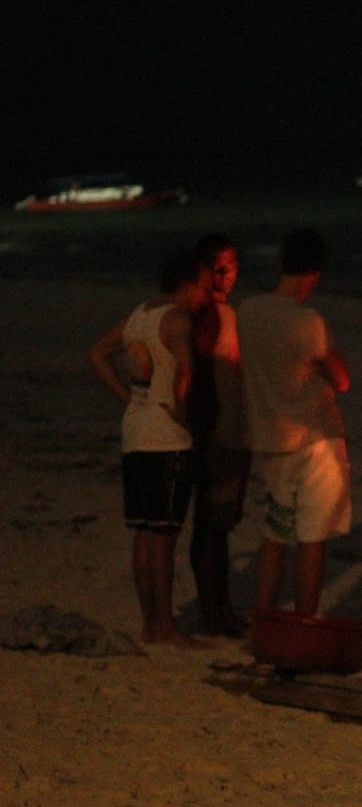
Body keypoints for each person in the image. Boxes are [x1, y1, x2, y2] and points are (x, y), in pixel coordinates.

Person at [87, 249, 212, 647]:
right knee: (164, 535)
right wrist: (181, 413)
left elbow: (98, 353)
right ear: (187, 285)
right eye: (204, 288)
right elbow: (184, 372)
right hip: (165, 437)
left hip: (135, 429)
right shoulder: (178, 319)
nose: (206, 297)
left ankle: (150, 624)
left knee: (143, 531)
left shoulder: (138, 316)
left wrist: (128, 397)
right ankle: (166, 626)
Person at [237, 228, 350, 615]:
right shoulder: (308, 320)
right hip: (313, 441)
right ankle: (303, 623)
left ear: (280, 263)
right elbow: (341, 379)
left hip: (270, 438)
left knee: (274, 535)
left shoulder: (248, 312)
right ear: (315, 273)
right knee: (311, 540)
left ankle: (263, 618)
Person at [187, 234, 251, 636]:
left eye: (232, 265)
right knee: (214, 523)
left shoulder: (213, 313)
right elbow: (203, 371)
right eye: (219, 267)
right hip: (220, 431)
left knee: (213, 523)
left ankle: (217, 608)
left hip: (220, 428)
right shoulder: (212, 315)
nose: (227, 274)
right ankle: (214, 612)